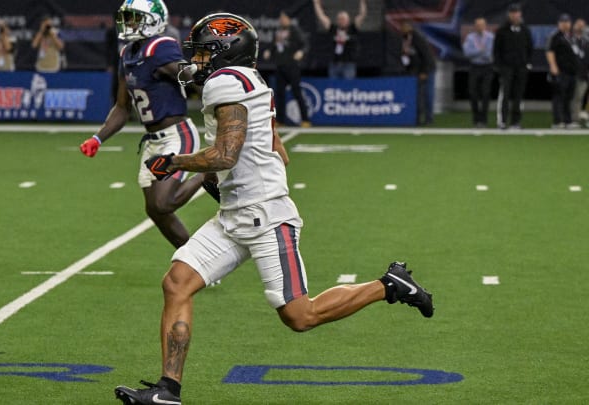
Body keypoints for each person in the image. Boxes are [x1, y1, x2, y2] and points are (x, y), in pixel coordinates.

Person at [114, 13, 434, 405]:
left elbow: (226, 154)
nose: (195, 61)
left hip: (266, 217)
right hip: (236, 213)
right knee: (176, 283)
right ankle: (168, 391)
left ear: (223, 52)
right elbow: (277, 150)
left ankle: (389, 285)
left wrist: (175, 163)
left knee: (300, 316)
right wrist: (236, 181)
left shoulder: (224, 83)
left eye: (202, 52)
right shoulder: (251, 81)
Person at [79, 0, 206, 249]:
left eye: (135, 18)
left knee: (163, 203)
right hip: (153, 142)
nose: (129, 24)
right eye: (128, 18)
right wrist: (98, 138)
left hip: (177, 135)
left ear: (154, 20)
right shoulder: (128, 53)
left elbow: (192, 79)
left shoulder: (160, 48)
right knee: (155, 211)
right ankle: (196, 260)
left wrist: (214, 98)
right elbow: (122, 107)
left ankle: (209, 171)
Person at [263, 10, 311, 127]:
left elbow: (305, 44)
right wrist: (269, 51)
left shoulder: (294, 30)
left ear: (289, 19)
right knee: (279, 94)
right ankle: (280, 120)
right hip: (280, 66)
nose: (281, 20)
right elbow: (274, 45)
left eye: (283, 17)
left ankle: (305, 119)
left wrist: (301, 52)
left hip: (292, 66)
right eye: (280, 18)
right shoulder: (278, 31)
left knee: (297, 92)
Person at [493, 3, 533, 130]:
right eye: (513, 13)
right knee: (505, 94)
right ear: (509, 14)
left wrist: (527, 63)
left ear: (520, 14)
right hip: (506, 67)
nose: (515, 15)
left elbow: (530, 48)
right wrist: (499, 66)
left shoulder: (525, 30)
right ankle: (502, 121)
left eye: (517, 12)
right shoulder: (502, 30)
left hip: (521, 67)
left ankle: (516, 121)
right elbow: (496, 50)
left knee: (518, 95)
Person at [312, 0, 367, 79]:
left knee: (348, 87)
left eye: (344, 19)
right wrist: (316, 3)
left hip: (348, 64)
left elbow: (362, 15)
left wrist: (363, 2)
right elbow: (321, 17)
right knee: (333, 87)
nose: (342, 21)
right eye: (340, 19)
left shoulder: (352, 29)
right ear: (337, 20)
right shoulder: (333, 29)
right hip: (334, 64)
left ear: (348, 20)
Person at [400, 21, 436, 125]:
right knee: (418, 95)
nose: (403, 29)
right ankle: (417, 118)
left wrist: (424, 71)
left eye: (405, 27)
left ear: (410, 28)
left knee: (428, 94)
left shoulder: (418, 38)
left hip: (428, 69)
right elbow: (409, 56)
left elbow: (426, 56)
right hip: (416, 70)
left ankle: (429, 119)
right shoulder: (405, 39)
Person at [546, 14, 578, 129]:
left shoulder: (571, 36)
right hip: (561, 71)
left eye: (567, 22)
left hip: (571, 72)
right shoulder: (555, 36)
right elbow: (550, 51)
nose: (565, 24)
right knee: (559, 96)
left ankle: (567, 120)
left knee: (569, 97)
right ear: (559, 23)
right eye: (563, 22)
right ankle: (557, 121)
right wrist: (553, 66)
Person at [462, 17, 494, 128]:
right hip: (474, 67)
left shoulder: (490, 37)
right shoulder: (470, 38)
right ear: (475, 26)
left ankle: (484, 119)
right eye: (478, 25)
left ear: (485, 26)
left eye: (482, 25)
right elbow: (467, 53)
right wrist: (480, 51)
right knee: (473, 93)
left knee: (485, 93)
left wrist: (478, 53)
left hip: (487, 67)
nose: (480, 27)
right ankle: (476, 119)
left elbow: (490, 55)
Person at [571, 18, 589, 127]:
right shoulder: (570, 39)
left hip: (585, 73)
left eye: (583, 25)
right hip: (574, 73)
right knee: (576, 97)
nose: (581, 27)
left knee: (581, 97)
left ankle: (585, 117)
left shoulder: (586, 41)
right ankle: (574, 120)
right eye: (579, 25)